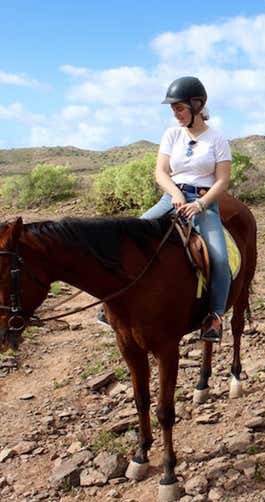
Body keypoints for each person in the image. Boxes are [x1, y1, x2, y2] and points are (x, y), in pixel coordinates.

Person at [98, 76, 231, 343]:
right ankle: (111, 303)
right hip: (171, 198)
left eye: (180, 108)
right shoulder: (171, 135)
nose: (176, 114)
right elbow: (160, 172)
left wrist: (200, 204)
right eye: (173, 109)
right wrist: (175, 193)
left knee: (219, 259)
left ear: (197, 105)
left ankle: (214, 317)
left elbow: (222, 181)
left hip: (204, 204)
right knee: (128, 239)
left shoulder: (217, 139)